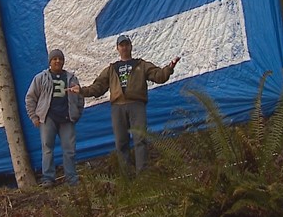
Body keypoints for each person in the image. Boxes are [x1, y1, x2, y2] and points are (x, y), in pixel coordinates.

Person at [70, 35, 180, 173]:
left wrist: (169, 68)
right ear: (117, 48)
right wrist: (81, 90)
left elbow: (159, 76)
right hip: (118, 107)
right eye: (121, 45)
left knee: (140, 138)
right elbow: (98, 87)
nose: (124, 47)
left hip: (136, 104)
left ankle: (143, 174)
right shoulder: (111, 69)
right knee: (121, 142)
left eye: (126, 44)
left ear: (131, 46)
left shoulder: (141, 64)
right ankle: (127, 176)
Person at [25, 48, 85, 188]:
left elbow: (80, 97)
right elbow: (30, 98)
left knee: (69, 149)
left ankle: (71, 178)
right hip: (48, 118)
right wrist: (34, 117)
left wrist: (77, 113)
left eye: (60, 59)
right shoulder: (41, 78)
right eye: (54, 59)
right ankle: (48, 178)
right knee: (47, 148)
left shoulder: (71, 78)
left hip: (67, 118)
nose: (58, 61)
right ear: (50, 61)